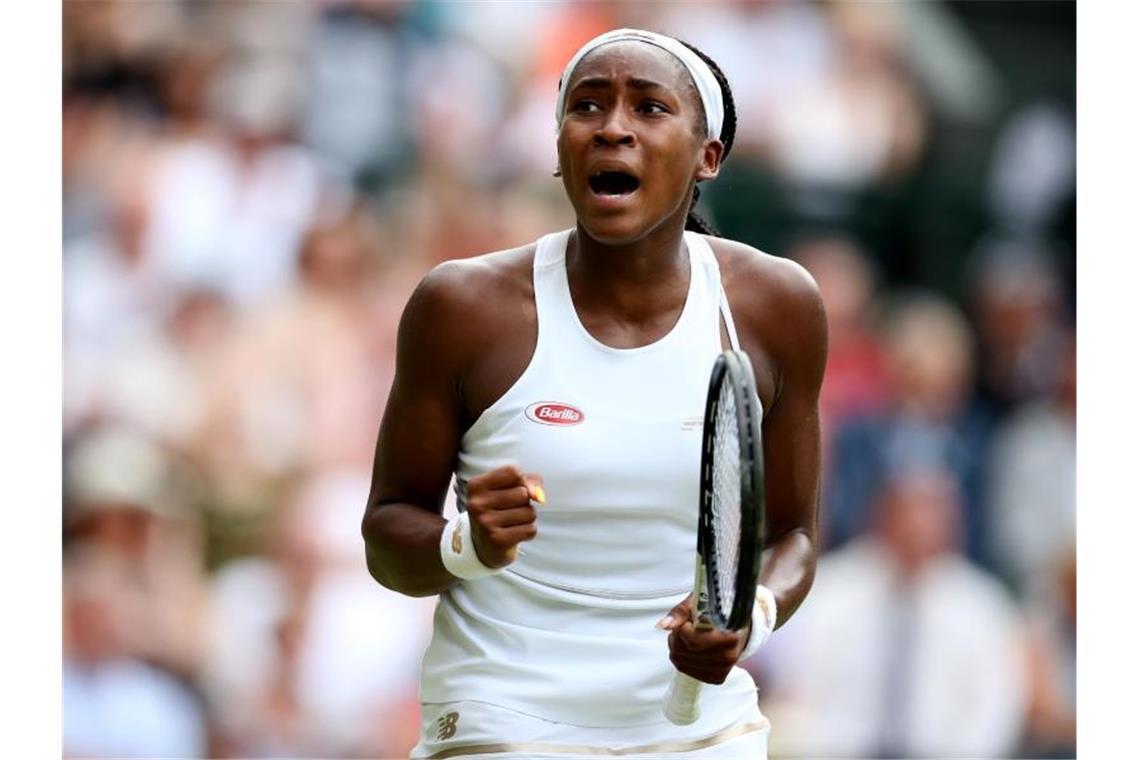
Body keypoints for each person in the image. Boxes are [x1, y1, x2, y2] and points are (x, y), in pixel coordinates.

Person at [362, 28, 827, 759]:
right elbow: (387, 538)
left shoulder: (778, 304)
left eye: (649, 108)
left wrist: (746, 619)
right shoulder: (461, 307)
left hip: (697, 725)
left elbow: (793, 535)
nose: (613, 127)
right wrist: (467, 542)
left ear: (709, 156)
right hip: (502, 717)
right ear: (557, 150)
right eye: (588, 106)